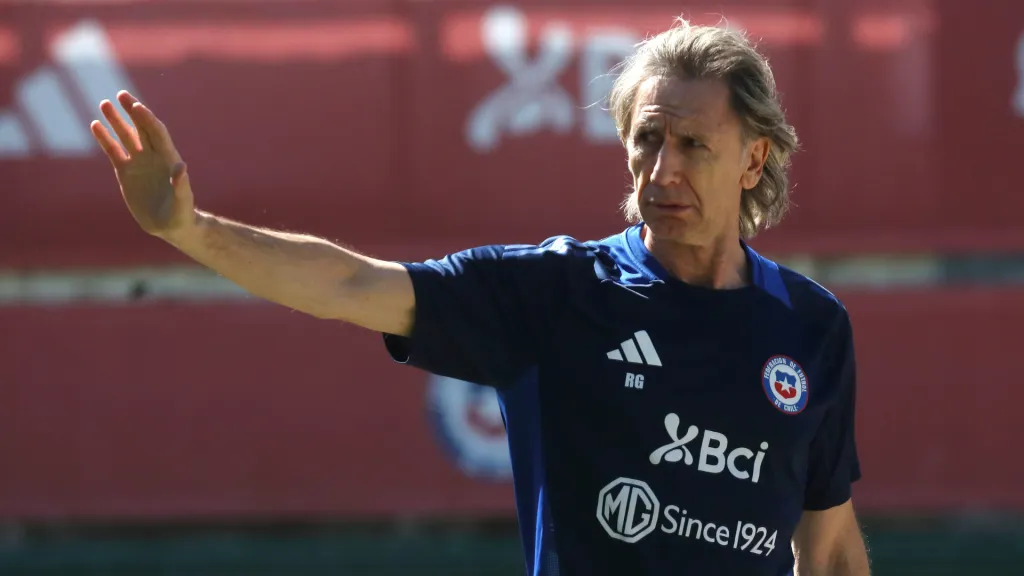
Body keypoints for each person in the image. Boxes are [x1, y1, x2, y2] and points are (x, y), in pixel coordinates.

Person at [90, 17, 870, 576]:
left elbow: (828, 548)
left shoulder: (810, 328)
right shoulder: (554, 294)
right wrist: (189, 229)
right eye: (646, 138)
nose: (662, 169)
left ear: (753, 157)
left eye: (693, 145)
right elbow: (350, 282)